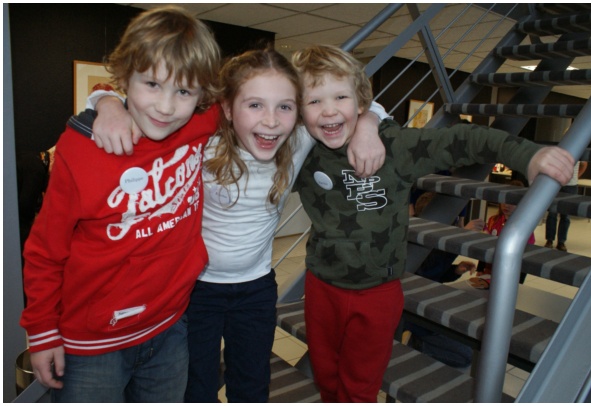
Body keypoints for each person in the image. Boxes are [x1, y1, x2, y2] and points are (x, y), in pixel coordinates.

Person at [74, 50, 389, 402]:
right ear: (227, 108)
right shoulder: (203, 142)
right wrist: (106, 103)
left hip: (256, 289)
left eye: (284, 107)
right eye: (255, 105)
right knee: (198, 386)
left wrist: (368, 124)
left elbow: (359, 105)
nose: (271, 121)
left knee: (252, 384)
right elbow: (148, 107)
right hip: (196, 289)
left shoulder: (297, 139)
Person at [289, 44, 575, 402]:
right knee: (327, 377)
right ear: (298, 110)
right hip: (321, 288)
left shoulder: (394, 146)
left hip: (377, 294)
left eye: (340, 97)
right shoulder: (301, 153)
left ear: (360, 102)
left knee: (360, 387)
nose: (329, 110)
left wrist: (528, 154)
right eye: (314, 101)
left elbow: (465, 139)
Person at [19, 6, 223, 402]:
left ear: (202, 96)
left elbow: (262, 91)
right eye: (152, 84)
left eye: (184, 91)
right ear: (126, 77)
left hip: (169, 326)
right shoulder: (81, 149)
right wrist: (42, 331)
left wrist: (360, 123)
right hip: (92, 344)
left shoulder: (200, 122)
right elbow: (45, 251)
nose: (166, 107)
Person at [403, 192, 483, 368]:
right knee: (465, 357)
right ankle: (417, 344)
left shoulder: (430, 240)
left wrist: (455, 270)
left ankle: (419, 340)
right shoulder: (418, 242)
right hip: (418, 313)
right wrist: (461, 236)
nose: (453, 225)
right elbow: (426, 273)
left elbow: (434, 273)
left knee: (469, 343)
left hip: (428, 306)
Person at [477, 180, 534, 284]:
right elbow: (486, 246)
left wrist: (518, 282)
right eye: (503, 200)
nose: (506, 205)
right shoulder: (493, 220)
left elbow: (524, 257)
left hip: (510, 274)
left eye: (511, 202)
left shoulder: (525, 228)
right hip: (489, 271)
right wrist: (480, 268)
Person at [545, 160, 587, 251]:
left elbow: (584, 164)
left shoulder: (578, 152)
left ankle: (561, 242)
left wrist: (576, 177)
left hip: (571, 186)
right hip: (555, 183)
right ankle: (549, 240)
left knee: (565, 216)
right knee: (552, 213)